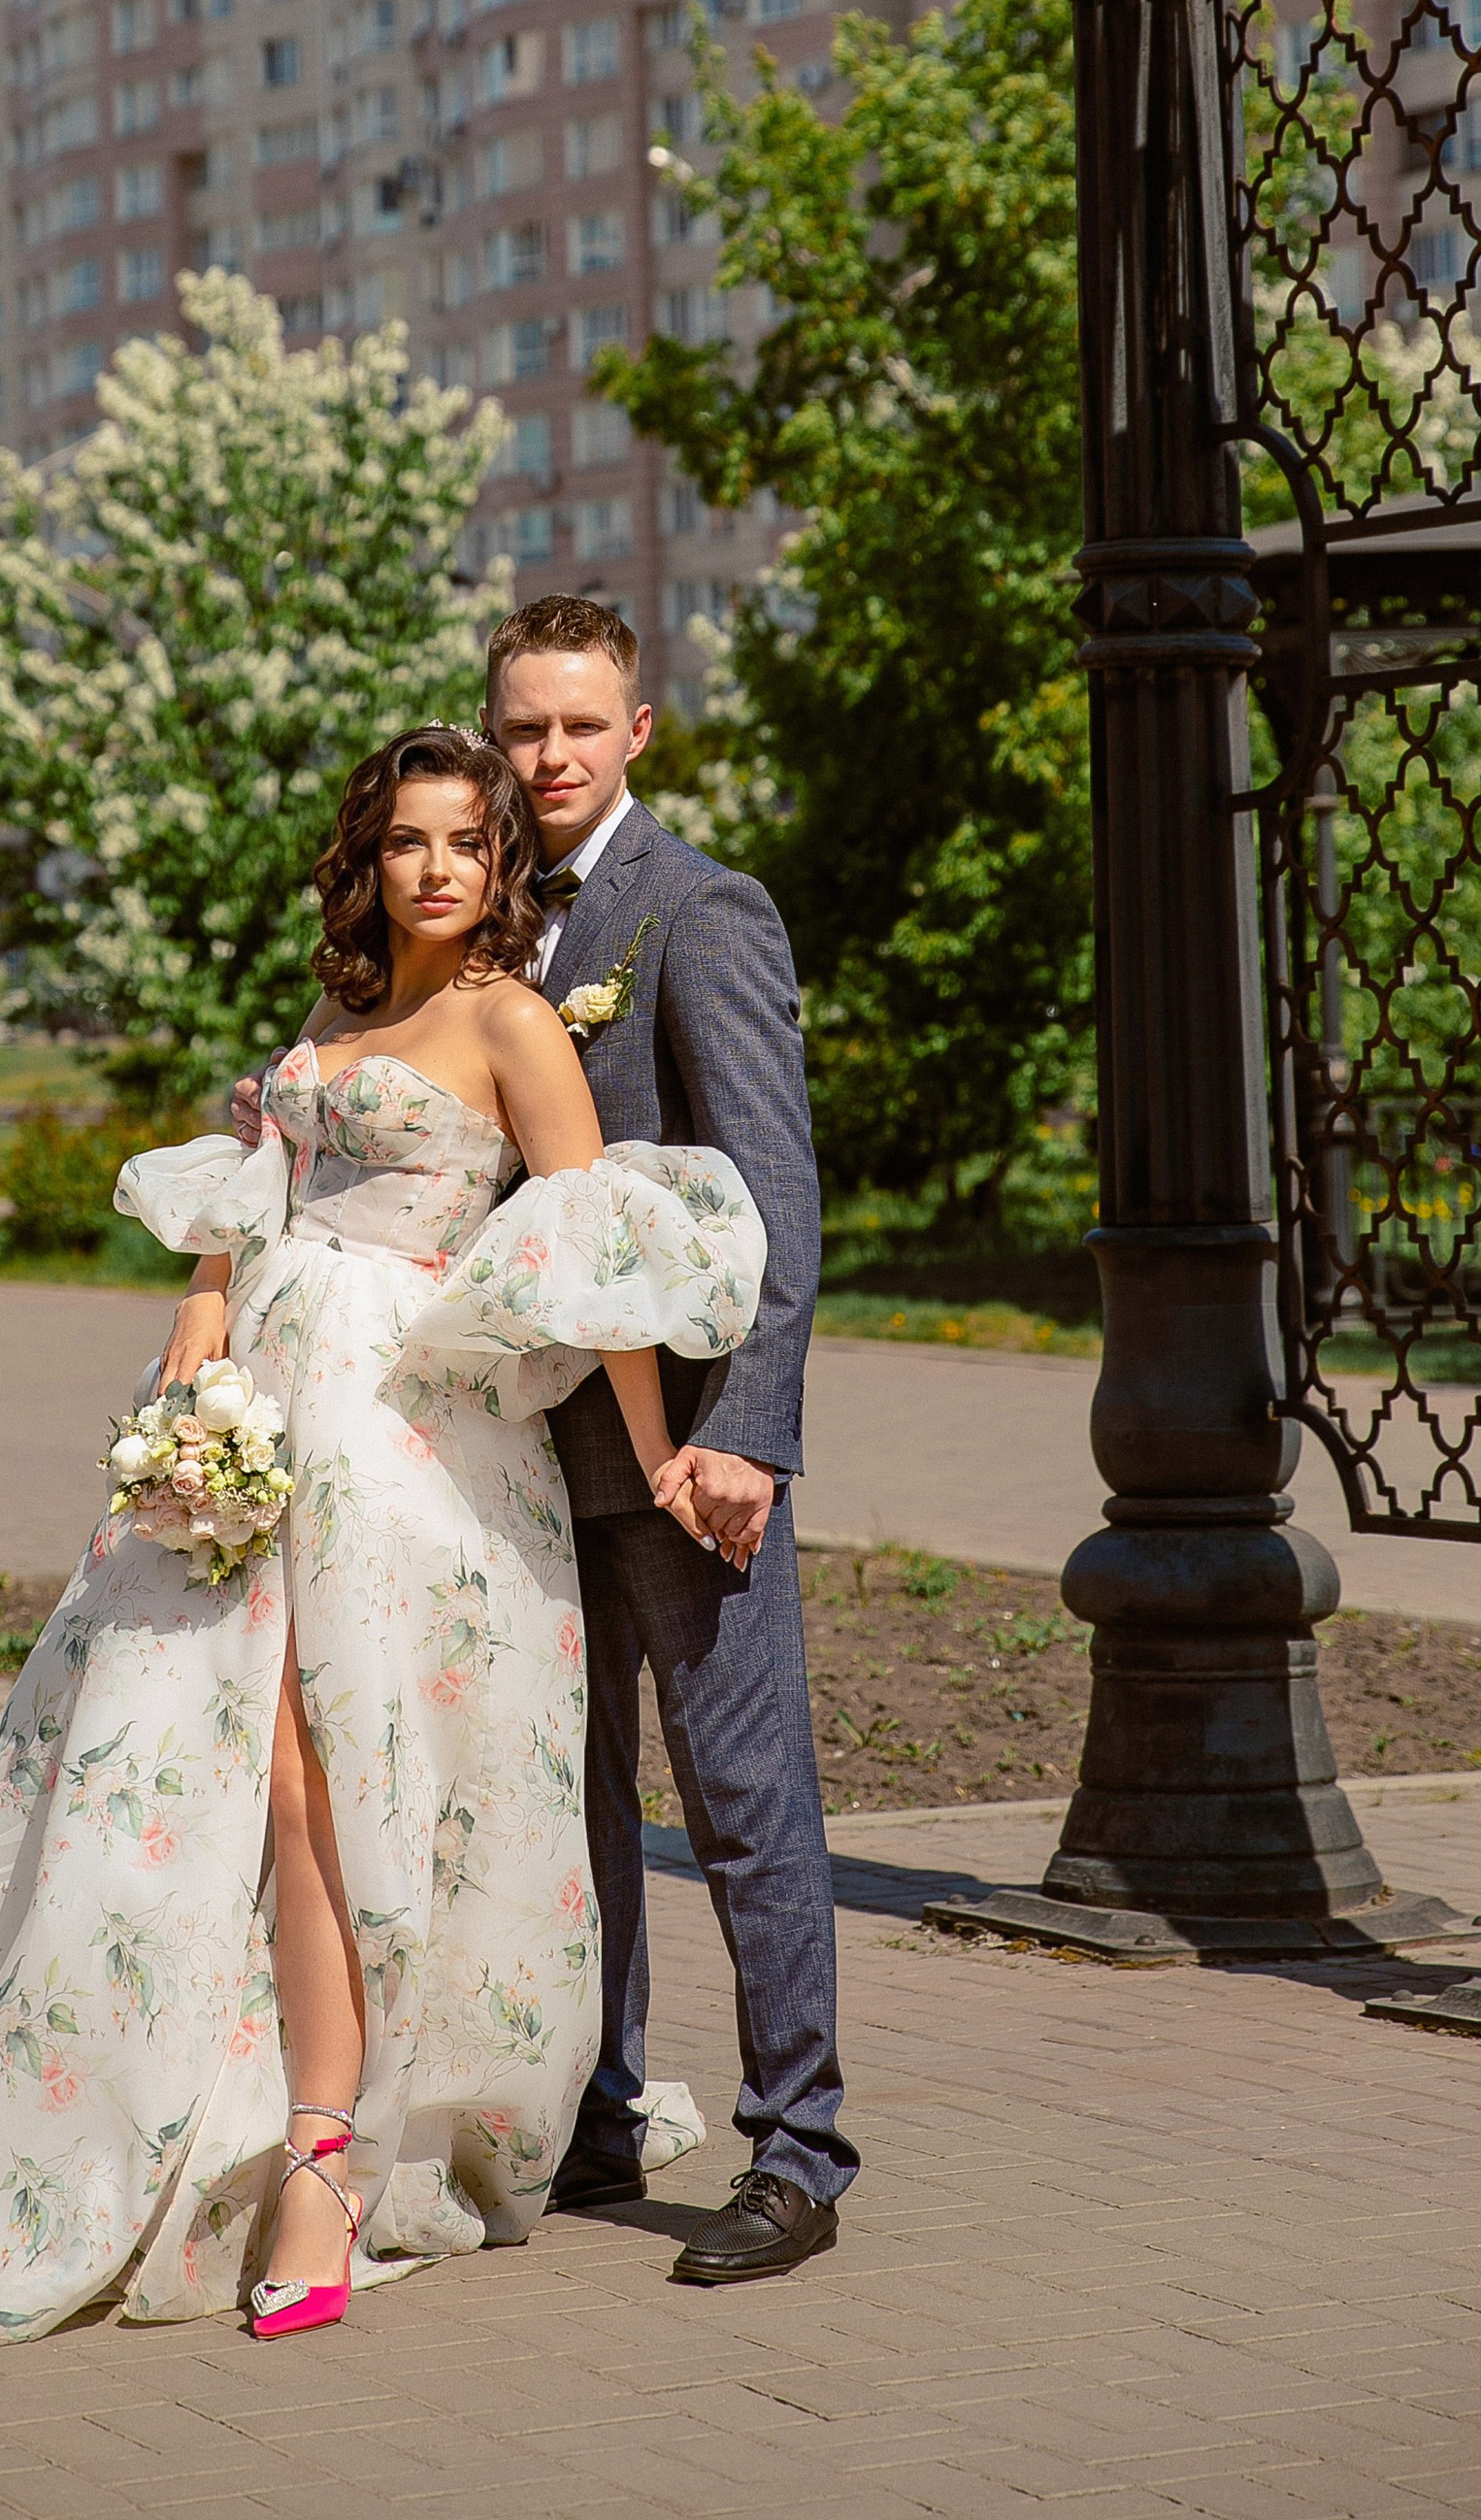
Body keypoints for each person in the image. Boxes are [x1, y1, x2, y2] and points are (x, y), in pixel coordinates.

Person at [0, 724, 762, 2348]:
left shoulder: (508, 1022)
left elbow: (591, 1261)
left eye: (467, 845)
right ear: (372, 856)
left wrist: (663, 1453)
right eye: (410, 840)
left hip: (411, 1442)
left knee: (335, 1776)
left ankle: (326, 2157)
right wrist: (198, 1324)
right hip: (263, 1422)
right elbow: (255, 1196)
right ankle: (177, 2101)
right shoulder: (340, 1010)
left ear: (499, 867)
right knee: (210, 1763)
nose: (438, 869)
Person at [486, 592, 855, 2287]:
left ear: (638, 732)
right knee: (571, 1806)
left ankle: (800, 2151)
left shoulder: (699, 912)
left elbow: (775, 1197)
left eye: (577, 725)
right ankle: (605, 2107)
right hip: (520, 1459)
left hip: (681, 1449)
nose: (548, 756)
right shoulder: (487, 931)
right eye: (521, 729)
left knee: (744, 1799)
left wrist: (754, 1437)